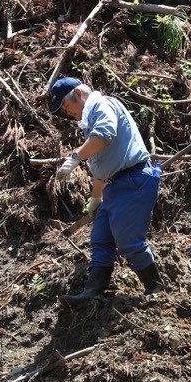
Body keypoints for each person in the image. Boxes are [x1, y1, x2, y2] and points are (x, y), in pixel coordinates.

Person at [46, 77, 163, 304]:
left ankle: (155, 289)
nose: (68, 114)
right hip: (114, 186)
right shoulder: (89, 124)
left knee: (127, 239)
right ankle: (94, 291)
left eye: (67, 108)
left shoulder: (103, 105)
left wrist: (75, 157)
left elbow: (104, 136)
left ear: (78, 94)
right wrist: (96, 198)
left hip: (133, 180)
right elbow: (101, 168)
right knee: (101, 237)